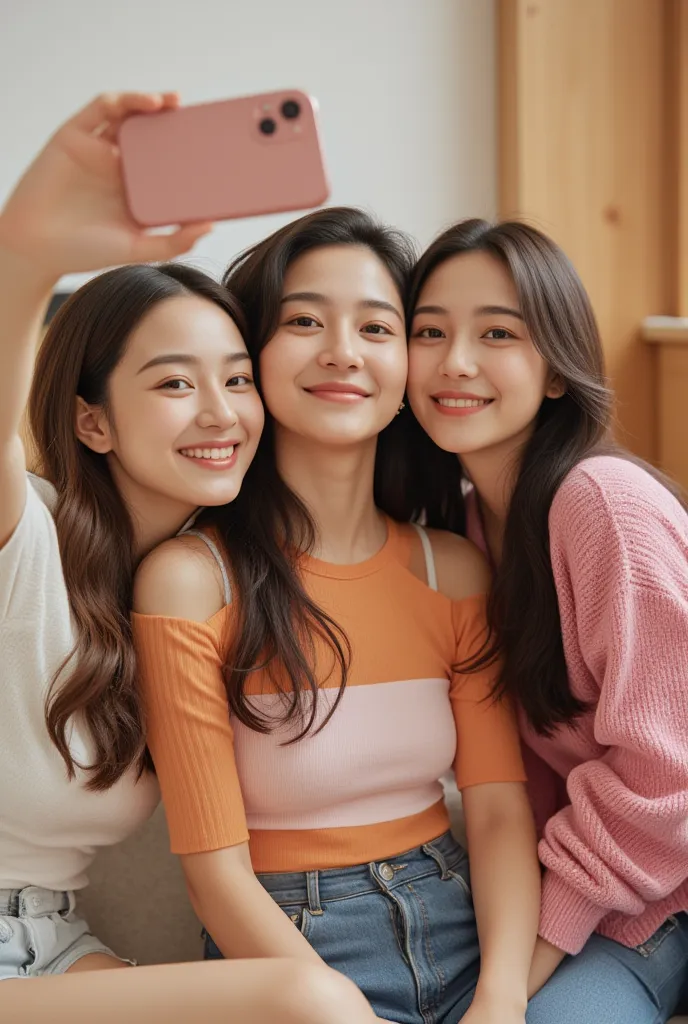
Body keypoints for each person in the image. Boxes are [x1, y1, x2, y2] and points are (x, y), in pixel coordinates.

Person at [0, 90, 377, 1024]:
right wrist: (27, 251)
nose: (221, 414)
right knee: (306, 1003)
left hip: (52, 945)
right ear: (91, 419)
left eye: (237, 379)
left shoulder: (203, 589)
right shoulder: (27, 540)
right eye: (174, 383)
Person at [132, 207, 541, 1024]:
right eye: (304, 321)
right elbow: (215, 876)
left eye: (378, 327)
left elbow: (496, 813)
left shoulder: (453, 570)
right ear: (253, 354)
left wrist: (501, 997)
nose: (342, 352)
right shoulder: (191, 581)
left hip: (460, 926)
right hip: (289, 959)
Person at [401, 218, 688, 1024]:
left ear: (557, 371)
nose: (456, 361)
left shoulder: (603, 507)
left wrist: (530, 958)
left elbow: (669, 780)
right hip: (599, 884)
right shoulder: (463, 532)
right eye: (431, 331)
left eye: (498, 332)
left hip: (662, 889)